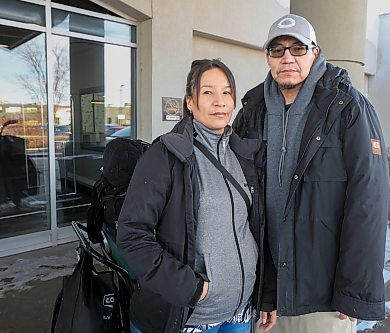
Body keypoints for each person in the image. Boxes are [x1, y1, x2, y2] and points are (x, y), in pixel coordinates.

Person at [233, 14, 390, 333]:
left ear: (315, 53)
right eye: (277, 50)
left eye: (297, 48)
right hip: (270, 293)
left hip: (325, 296)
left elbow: (369, 202)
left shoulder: (349, 108)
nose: (287, 57)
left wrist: (353, 291)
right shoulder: (252, 112)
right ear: (267, 57)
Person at [117, 59, 276, 333]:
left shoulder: (245, 156)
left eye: (226, 92)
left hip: (238, 313)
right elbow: (132, 234)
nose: (219, 101)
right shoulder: (165, 156)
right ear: (190, 102)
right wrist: (191, 288)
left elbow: (256, 231)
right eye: (208, 92)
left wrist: (265, 294)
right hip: (191, 317)